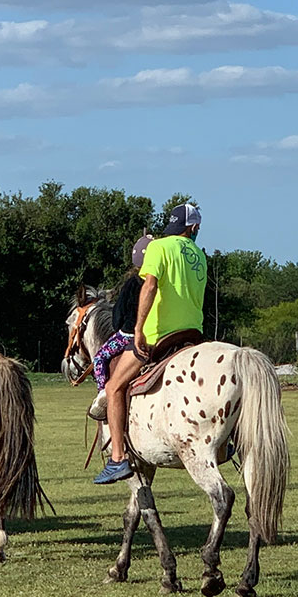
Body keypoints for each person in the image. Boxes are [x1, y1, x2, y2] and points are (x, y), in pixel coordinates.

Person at [95, 203, 207, 484]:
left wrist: (140, 329)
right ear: (193, 229)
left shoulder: (158, 247)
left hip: (162, 335)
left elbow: (150, 286)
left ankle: (118, 458)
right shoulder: (200, 256)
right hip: (193, 333)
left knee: (114, 386)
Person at [87, 235, 154, 421]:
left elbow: (117, 316)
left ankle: (103, 393)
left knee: (100, 357)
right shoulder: (161, 282)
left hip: (128, 335)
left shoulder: (132, 283)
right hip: (155, 334)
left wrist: (119, 326)